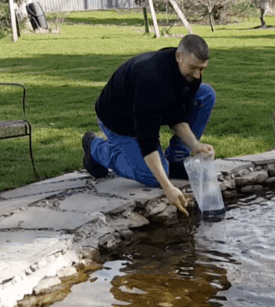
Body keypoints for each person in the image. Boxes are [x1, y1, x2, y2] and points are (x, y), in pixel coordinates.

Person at [81, 34, 216, 216]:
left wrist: (196, 146)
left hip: (146, 109)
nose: (198, 74)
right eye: (193, 68)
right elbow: (147, 140)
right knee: (151, 176)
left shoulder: (189, 73)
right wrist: (167, 187)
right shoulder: (152, 81)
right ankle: (96, 148)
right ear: (178, 56)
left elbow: (177, 117)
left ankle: (176, 158)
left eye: (202, 68)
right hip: (118, 122)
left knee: (206, 94)